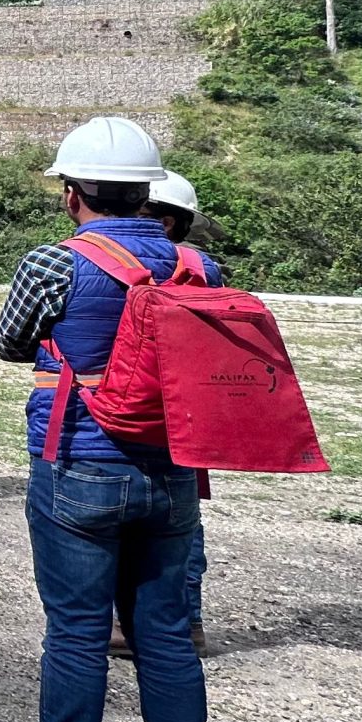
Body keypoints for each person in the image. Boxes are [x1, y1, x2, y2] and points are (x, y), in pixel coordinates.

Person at [0, 116, 219, 722]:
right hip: (171, 472)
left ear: (72, 193)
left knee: (76, 633)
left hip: (77, 466)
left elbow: (12, 344)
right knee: (167, 637)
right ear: (148, 191)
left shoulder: (56, 264)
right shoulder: (198, 268)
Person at [115, 169, 213, 658]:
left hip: (128, 412)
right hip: (184, 417)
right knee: (180, 522)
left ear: (167, 222)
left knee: (118, 522)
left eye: (139, 209)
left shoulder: (104, 263)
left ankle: (135, 622)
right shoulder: (204, 268)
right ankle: (185, 621)